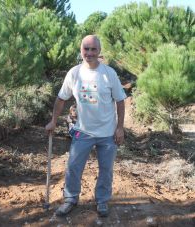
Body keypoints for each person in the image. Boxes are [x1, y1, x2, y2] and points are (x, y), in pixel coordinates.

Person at [45, 35, 126, 217]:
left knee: (106, 169)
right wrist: (53, 120)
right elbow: (61, 99)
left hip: (107, 133)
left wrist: (120, 128)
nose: (89, 53)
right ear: (81, 50)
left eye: (93, 49)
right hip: (82, 131)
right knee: (73, 166)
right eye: (86, 49)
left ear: (99, 51)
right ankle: (70, 199)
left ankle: (102, 201)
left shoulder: (109, 73)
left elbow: (120, 101)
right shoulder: (74, 73)